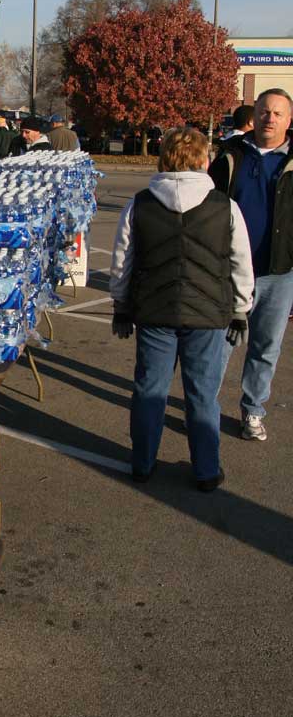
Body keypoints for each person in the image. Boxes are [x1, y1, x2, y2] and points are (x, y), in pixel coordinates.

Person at [110, 127, 253, 491]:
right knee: (202, 394)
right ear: (204, 160)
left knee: (149, 388)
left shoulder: (140, 203)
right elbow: (240, 263)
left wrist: (122, 304)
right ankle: (206, 470)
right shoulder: (225, 206)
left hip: (155, 311)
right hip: (208, 313)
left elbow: (122, 261)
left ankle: (141, 463)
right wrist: (240, 308)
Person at [209, 88, 293, 441]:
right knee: (218, 346)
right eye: (263, 111)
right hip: (230, 273)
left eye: (277, 113)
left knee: (265, 347)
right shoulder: (230, 156)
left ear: (289, 120)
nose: (269, 118)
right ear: (253, 115)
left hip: (279, 274)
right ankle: (204, 411)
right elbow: (207, 207)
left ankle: (253, 411)